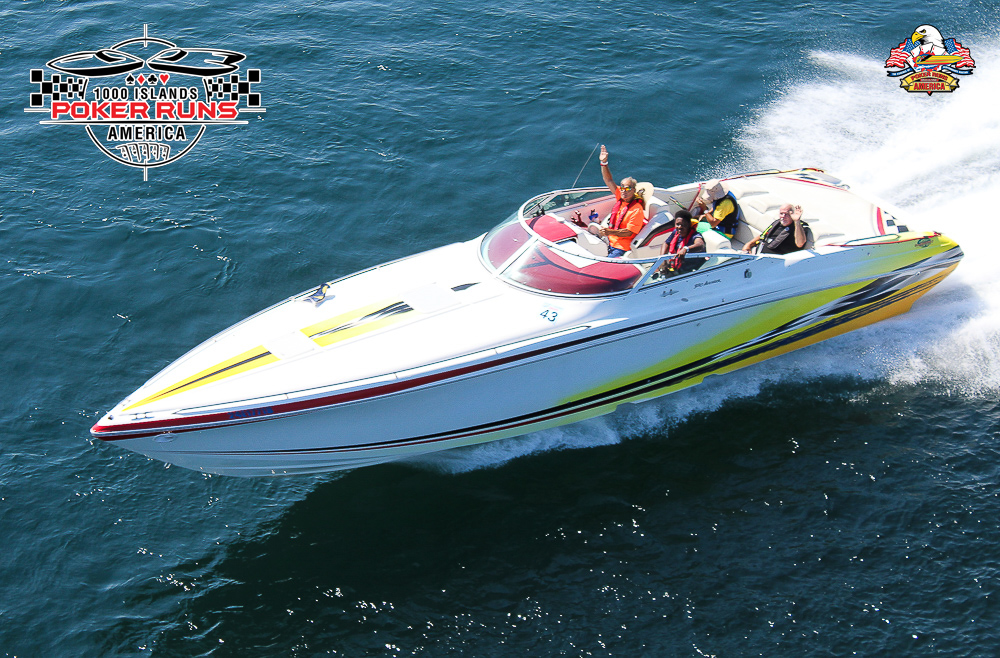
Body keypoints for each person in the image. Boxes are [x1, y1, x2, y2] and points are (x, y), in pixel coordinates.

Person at [596, 144, 646, 258]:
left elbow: (629, 232)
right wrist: (604, 163)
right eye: (622, 188)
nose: (624, 191)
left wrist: (610, 232)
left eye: (627, 188)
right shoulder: (621, 197)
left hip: (621, 247)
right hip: (609, 240)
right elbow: (608, 180)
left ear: (634, 190)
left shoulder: (636, 210)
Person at [742, 204, 808, 254]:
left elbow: (800, 244)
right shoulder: (777, 223)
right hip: (757, 253)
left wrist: (796, 221)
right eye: (781, 213)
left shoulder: (799, 227)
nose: (783, 216)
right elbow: (763, 235)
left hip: (774, 260)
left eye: (787, 214)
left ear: (792, 214)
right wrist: (749, 244)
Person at [659, 209, 706, 274]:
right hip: (676, 267)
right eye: (677, 224)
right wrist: (663, 260)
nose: (680, 227)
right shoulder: (676, 232)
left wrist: (685, 249)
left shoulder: (695, 235)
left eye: (683, 225)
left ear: (689, 225)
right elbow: (666, 243)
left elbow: (700, 245)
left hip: (691, 270)